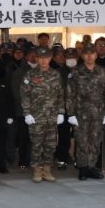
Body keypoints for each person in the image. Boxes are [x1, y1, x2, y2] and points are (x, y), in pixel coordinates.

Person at [67, 42, 105, 180]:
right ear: (82, 55)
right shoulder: (75, 72)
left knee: (95, 141)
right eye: (86, 53)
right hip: (80, 113)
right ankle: (83, 168)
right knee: (82, 141)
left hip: (98, 113)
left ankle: (92, 167)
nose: (89, 56)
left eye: (92, 53)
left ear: (96, 55)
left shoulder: (102, 71)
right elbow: (69, 94)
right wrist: (71, 113)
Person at [20, 47, 65, 182]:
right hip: (36, 116)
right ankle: (37, 170)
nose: (43, 60)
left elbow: (60, 94)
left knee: (50, 144)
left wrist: (61, 112)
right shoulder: (30, 75)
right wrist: (27, 113)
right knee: (37, 144)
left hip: (52, 116)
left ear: (50, 58)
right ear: (37, 58)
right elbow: (24, 95)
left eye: (46, 58)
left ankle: (47, 169)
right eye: (40, 58)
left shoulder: (56, 74)